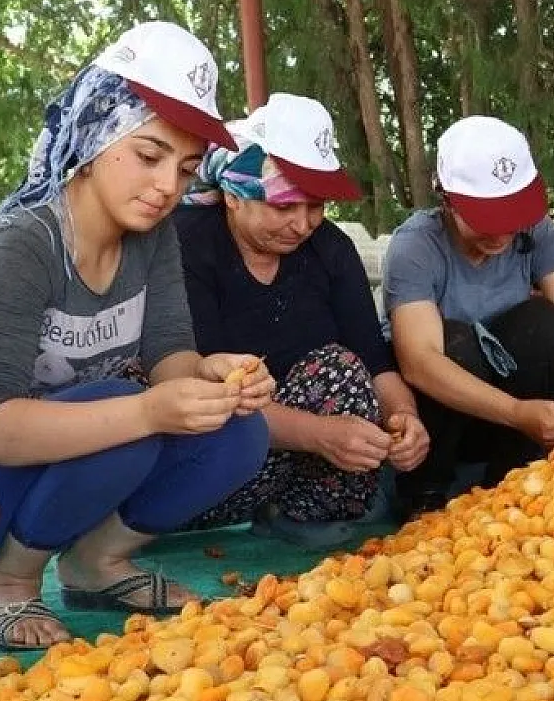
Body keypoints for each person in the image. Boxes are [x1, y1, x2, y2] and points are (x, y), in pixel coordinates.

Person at [0, 21, 274, 649]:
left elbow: (168, 356)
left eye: (187, 169)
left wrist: (211, 377)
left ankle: (95, 565)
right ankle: (5, 582)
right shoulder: (23, 244)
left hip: (60, 449)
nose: (167, 187)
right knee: (121, 414)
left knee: (238, 431)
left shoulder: (153, 235)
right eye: (149, 155)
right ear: (95, 134)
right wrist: (147, 409)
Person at [174, 93, 429, 547]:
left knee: (344, 372)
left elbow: (374, 361)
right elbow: (195, 388)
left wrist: (405, 419)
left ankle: (300, 515)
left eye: (315, 206)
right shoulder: (188, 244)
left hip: (291, 466)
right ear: (234, 196)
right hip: (207, 460)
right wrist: (318, 435)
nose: (303, 224)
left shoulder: (330, 250)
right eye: (284, 207)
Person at [382, 115, 554, 515]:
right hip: (442, 422)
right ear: (448, 200)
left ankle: (514, 478)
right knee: (456, 344)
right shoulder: (416, 246)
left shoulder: (535, 231)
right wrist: (516, 412)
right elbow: (418, 361)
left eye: (512, 217)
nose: (503, 234)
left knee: (543, 321)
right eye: (488, 219)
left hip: (513, 419)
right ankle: (426, 494)